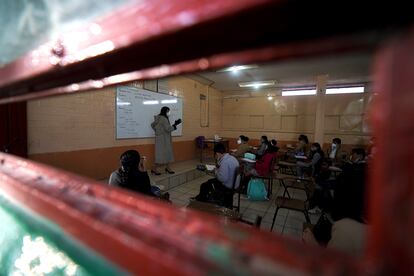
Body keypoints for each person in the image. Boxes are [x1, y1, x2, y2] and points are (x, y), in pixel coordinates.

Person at [194, 143, 239, 208]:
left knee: (204, 185)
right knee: (210, 181)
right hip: (235, 184)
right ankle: (200, 199)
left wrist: (216, 171)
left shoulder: (224, 162)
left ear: (217, 153)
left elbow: (222, 179)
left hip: (228, 186)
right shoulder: (232, 158)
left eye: (215, 154)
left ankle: (200, 203)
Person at [151, 106, 182, 175]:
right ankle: (155, 169)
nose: (169, 113)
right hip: (164, 139)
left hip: (161, 139)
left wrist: (157, 132)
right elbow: (168, 129)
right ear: (165, 111)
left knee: (163, 153)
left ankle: (167, 168)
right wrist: (175, 125)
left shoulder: (158, 118)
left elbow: (152, 125)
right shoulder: (163, 119)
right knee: (162, 154)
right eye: (168, 111)